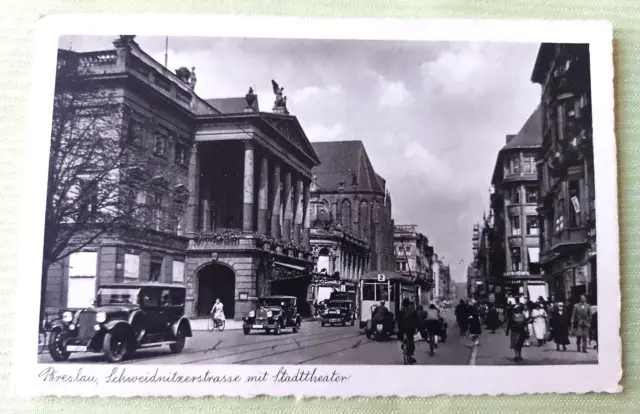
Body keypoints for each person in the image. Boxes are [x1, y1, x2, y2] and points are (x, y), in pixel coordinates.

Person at [397, 298, 418, 363]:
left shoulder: (400, 311)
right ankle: (410, 355)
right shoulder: (412, 311)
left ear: (402, 304)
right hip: (410, 329)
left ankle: (403, 342)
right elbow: (416, 320)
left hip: (402, 329)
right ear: (408, 304)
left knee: (401, 335)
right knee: (411, 341)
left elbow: (397, 320)